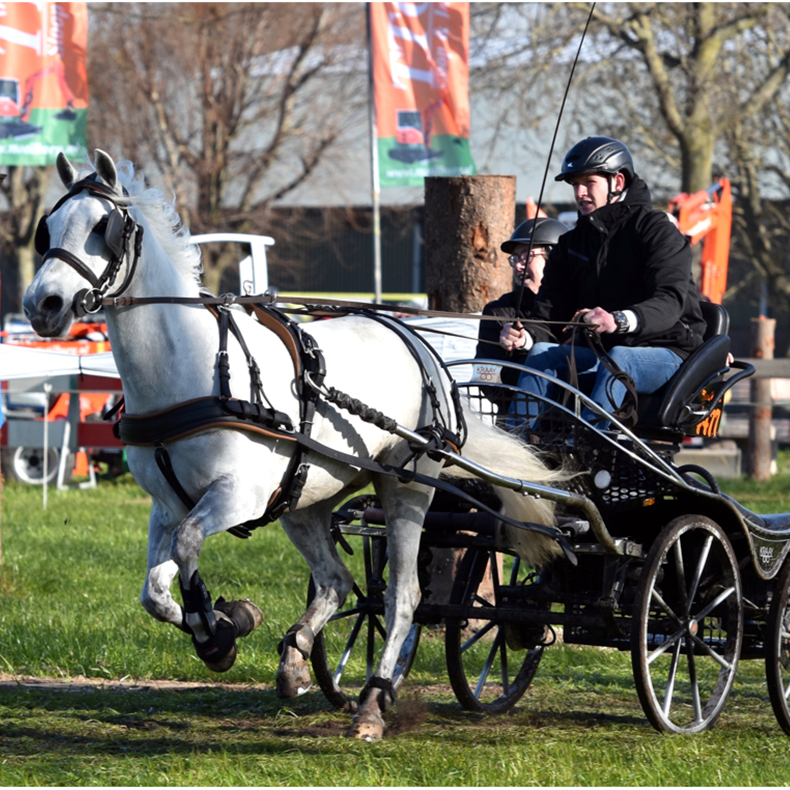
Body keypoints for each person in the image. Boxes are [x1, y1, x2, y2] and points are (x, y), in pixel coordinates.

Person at [510, 136, 706, 429]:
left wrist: (618, 320)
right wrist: (525, 337)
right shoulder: (571, 244)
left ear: (617, 182)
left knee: (620, 358)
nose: (580, 193)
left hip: (670, 351)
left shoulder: (656, 230)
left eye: (589, 183)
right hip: (604, 353)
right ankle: (514, 452)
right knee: (540, 355)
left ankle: (588, 450)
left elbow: (670, 301)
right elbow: (549, 315)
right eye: (575, 185)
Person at [475, 216, 569, 391]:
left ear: (555, 259)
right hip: (521, 413)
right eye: (515, 258)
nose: (519, 266)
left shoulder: (579, 305)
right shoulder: (497, 311)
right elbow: (485, 379)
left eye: (528, 257)